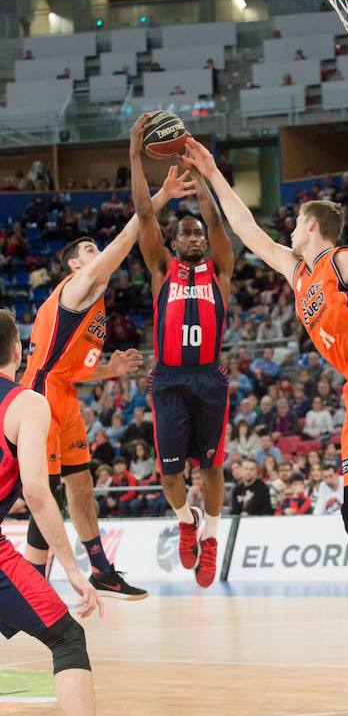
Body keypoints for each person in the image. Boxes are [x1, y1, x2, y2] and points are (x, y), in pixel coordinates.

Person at [181, 138, 348, 690]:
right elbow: (247, 231)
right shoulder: (297, 270)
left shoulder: (345, 260)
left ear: (313, 226)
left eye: (296, 222)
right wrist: (213, 172)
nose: (289, 229)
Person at [19, 136, 191, 600]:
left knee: (81, 484)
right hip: (41, 398)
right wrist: (160, 198)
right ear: (74, 264)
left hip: (64, 394)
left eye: (97, 250)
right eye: (90, 251)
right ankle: (33, 586)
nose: (100, 255)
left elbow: (72, 369)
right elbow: (127, 236)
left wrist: (109, 372)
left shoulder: (94, 305)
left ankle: (101, 570)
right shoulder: (77, 287)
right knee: (48, 489)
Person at [0, 310, 146, 716]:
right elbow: (39, 494)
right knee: (67, 636)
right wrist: (72, 567)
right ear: (19, 352)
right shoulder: (28, 402)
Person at [130, 116, 235, 588]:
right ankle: (185, 521)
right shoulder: (159, 272)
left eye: (198, 234)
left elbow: (215, 220)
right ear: (172, 245)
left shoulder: (220, 273)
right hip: (170, 380)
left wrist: (203, 181)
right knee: (171, 477)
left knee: (212, 467)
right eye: (186, 235)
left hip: (209, 378)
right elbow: (144, 216)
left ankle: (210, 538)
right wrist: (137, 155)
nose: (195, 238)